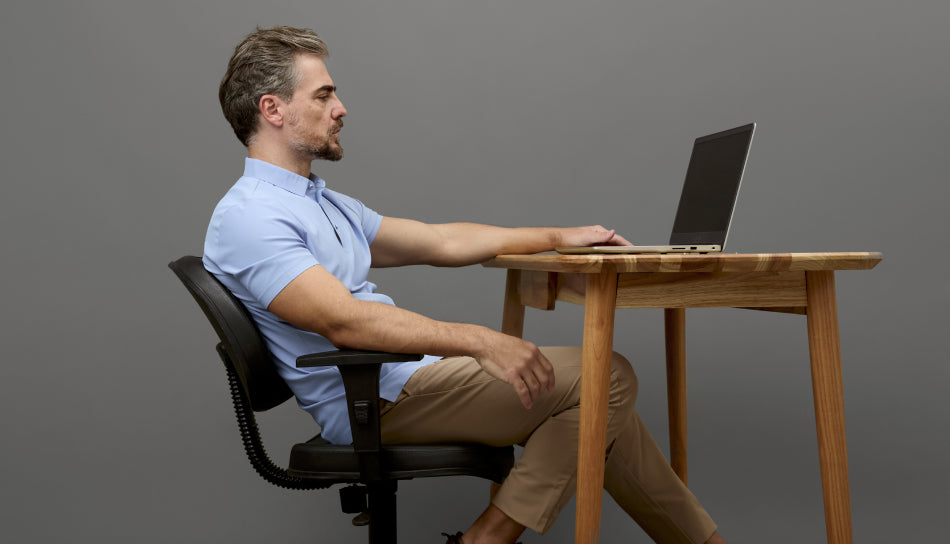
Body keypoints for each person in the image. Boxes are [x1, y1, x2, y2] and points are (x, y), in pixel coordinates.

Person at [205, 26, 727, 544]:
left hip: (402, 381)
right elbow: (344, 321)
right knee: (604, 379)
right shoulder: (253, 217)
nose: (341, 107)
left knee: (606, 423)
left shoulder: (319, 201)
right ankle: (488, 539)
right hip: (375, 401)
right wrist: (481, 341)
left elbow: (439, 241)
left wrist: (562, 235)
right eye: (323, 95)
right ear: (273, 110)